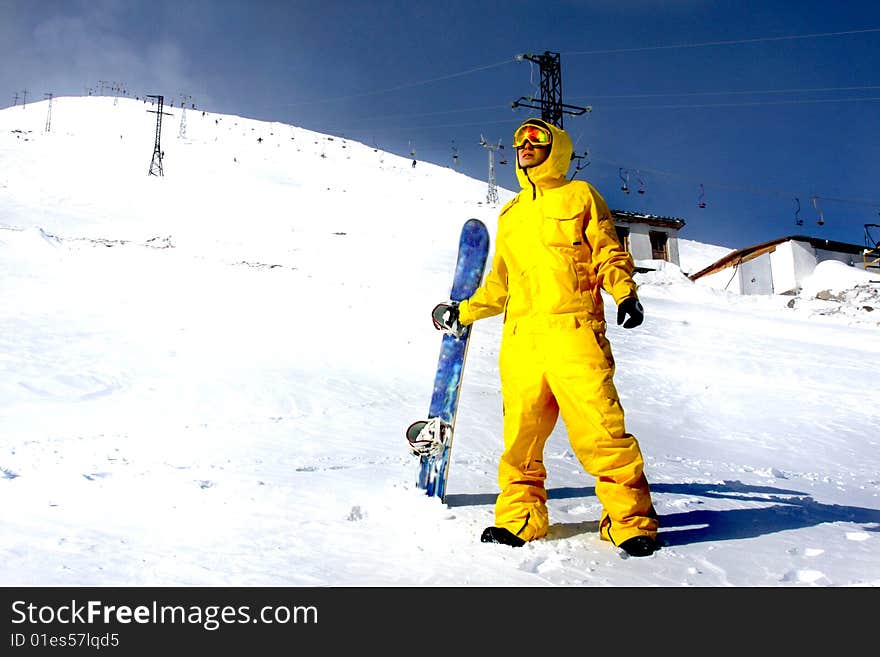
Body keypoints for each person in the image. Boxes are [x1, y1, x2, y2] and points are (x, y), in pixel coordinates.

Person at [431, 118, 659, 557]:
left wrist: (624, 293)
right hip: (521, 340)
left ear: (557, 148)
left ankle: (629, 522)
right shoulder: (511, 214)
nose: (525, 146)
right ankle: (521, 518)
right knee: (521, 438)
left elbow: (608, 251)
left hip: (574, 331)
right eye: (518, 141)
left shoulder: (580, 196)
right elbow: (500, 284)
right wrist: (464, 311)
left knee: (601, 431)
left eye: (536, 139)